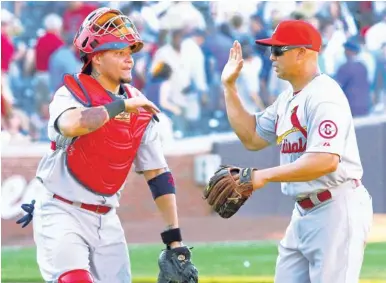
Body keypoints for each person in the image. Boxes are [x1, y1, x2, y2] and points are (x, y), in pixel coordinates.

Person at [16, 7, 198, 283]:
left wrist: (175, 239)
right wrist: (123, 105)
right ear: (97, 59)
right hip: (60, 209)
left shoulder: (140, 105)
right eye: (119, 52)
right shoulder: (71, 93)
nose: (129, 60)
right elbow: (72, 124)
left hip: (106, 218)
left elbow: (158, 175)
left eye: (130, 53)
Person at [220, 20, 373, 283]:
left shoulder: (324, 96)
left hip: (335, 206)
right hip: (303, 212)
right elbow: (252, 137)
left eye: (279, 50)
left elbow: (325, 161)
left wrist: (262, 176)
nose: (272, 57)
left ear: (302, 52)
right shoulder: (289, 98)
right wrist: (229, 87)